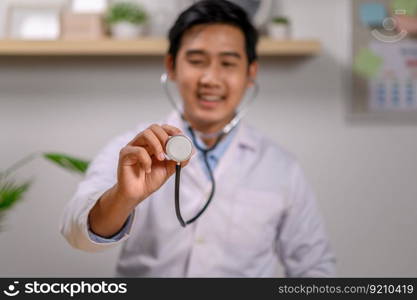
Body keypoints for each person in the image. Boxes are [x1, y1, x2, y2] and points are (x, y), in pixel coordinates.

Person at [61, 0, 336, 277]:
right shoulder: (132, 151)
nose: (210, 78)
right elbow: (77, 233)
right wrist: (123, 197)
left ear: (250, 73)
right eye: (196, 61)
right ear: (171, 66)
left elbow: (314, 267)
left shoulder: (281, 167)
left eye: (228, 63)